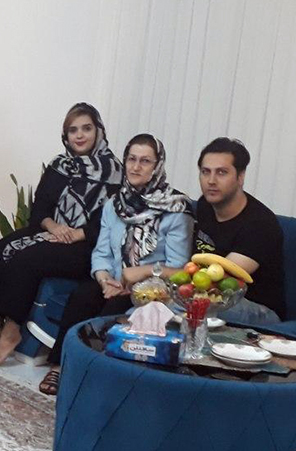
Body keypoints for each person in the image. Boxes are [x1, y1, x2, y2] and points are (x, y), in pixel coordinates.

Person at [40, 134, 192, 394]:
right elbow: (101, 252)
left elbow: (178, 269)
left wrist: (139, 277)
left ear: (158, 166)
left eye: (145, 161)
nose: (136, 167)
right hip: (114, 280)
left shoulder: (176, 209)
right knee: (83, 296)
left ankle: (93, 376)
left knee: (114, 307)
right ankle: (59, 365)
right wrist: (104, 279)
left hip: (155, 289)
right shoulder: (115, 204)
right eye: (131, 159)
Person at [0, 103, 122, 365]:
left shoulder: (114, 172)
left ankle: (12, 328)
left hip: (87, 244)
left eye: (86, 129)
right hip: (53, 231)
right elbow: (40, 207)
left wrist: (77, 234)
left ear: (98, 131)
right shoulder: (60, 165)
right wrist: (54, 227)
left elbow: (111, 220)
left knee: (27, 259)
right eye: (73, 130)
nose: (79, 135)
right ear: (65, 135)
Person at [193, 137, 285, 323]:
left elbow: (221, 279)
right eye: (205, 172)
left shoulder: (261, 224)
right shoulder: (205, 206)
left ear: (240, 177)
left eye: (221, 172)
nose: (211, 180)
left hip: (258, 309)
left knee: (191, 303)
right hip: (213, 296)